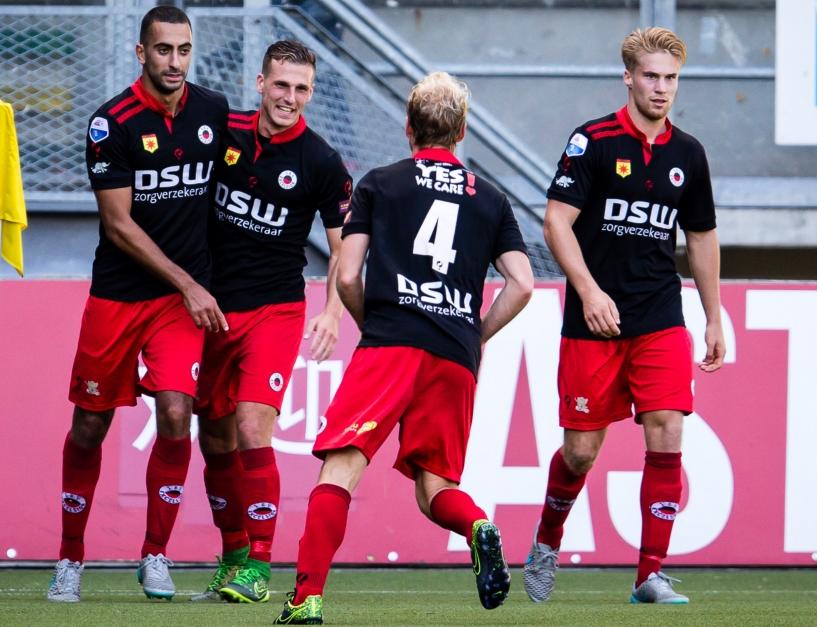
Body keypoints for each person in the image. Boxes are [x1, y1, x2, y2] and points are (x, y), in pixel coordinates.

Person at [273, 71, 534, 625]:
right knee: (435, 489)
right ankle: (478, 526)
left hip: (390, 342)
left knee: (340, 470)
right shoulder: (491, 199)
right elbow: (523, 284)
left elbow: (346, 275)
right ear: (461, 131)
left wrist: (377, 325)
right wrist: (475, 333)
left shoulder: (380, 183)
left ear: (408, 128)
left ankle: (306, 599)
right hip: (455, 353)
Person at [524, 27, 725, 605]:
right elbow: (555, 222)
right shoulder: (593, 142)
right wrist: (587, 291)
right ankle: (546, 541)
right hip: (593, 321)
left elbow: (703, 237)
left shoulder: (689, 154)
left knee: (667, 430)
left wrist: (714, 316)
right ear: (629, 77)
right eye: (652, 76)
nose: (662, 88)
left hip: (659, 315)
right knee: (581, 452)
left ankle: (649, 574)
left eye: (671, 78)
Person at [47, 6, 229, 603]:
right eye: (163, 50)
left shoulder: (213, 111)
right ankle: (70, 558)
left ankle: (156, 555)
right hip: (121, 296)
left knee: (178, 412)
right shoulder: (112, 123)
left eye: (183, 50)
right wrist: (191, 283)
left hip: (179, 303)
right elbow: (118, 225)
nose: (174, 62)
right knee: (90, 424)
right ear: (140, 52)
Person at [190, 40, 352, 605]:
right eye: (281, 85)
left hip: (275, 311)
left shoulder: (323, 162)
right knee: (213, 435)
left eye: (301, 88)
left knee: (253, 425)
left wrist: (332, 311)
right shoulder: (221, 131)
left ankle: (259, 565)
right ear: (260, 83)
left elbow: (343, 248)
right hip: (209, 310)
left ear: (311, 92)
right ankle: (233, 554)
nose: (290, 98)